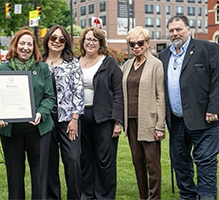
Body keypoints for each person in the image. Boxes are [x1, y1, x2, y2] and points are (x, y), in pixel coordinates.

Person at [158, 15, 219, 200]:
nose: (174, 33)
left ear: (189, 29)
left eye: (178, 29)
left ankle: (206, 196)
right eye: (171, 30)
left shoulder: (207, 49)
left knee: (205, 162)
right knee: (180, 163)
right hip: (177, 121)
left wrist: (213, 109)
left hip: (205, 119)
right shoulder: (164, 56)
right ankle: (187, 196)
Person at [0, 29, 55, 200]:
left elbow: (50, 97)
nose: (26, 47)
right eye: (22, 43)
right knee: (14, 175)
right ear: (15, 45)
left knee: (40, 175)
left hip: (38, 130)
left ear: (34, 47)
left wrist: (40, 113)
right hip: (11, 131)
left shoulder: (42, 68)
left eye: (30, 44)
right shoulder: (2, 69)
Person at [78, 27, 124, 200]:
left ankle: (104, 195)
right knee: (85, 158)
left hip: (104, 118)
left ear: (100, 44)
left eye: (95, 40)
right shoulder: (76, 62)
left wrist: (117, 122)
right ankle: (88, 194)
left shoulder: (109, 63)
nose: (91, 42)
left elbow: (119, 93)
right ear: (83, 42)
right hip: (81, 118)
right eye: (88, 39)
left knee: (105, 160)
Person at [122, 26, 165, 200]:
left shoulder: (156, 64)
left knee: (152, 164)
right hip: (131, 120)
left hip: (149, 120)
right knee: (137, 161)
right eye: (132, 44)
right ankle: (143, 195)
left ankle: (154, 197)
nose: (136, 47)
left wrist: (160, 126)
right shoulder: (127, 65)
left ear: (147, 43)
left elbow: (160, 95)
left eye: (140, 43)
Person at [42, 25, 84, 199]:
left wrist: (75, 118)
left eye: (61, 39)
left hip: (68, 119)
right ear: (47, 39)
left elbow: (79, 91)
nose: (57, 42)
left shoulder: (72, 63)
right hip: (45, 119)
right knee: (50, 163)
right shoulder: (39, 62)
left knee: (73, 160)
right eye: (53, 38)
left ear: (66, 42)